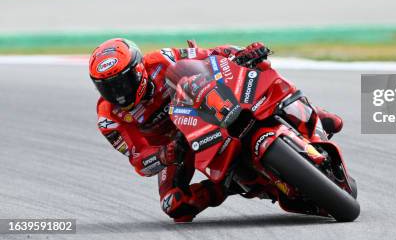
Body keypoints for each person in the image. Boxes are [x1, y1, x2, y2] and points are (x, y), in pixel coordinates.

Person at [89, 38, 343, 223]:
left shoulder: (161, 60)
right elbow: (140, 160)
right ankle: (231, 185)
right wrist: (167, 153)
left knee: (260, 69)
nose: (118, 92)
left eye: (122, 81)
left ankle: (307, 112)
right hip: (179, 145)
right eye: (108, 87)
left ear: (139, 69)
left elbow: (206, 55)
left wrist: (239, 54)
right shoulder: (108, 118)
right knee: (174, 206)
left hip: (205, 106)